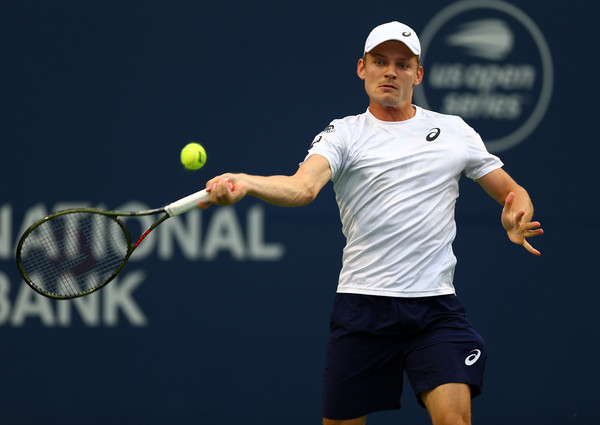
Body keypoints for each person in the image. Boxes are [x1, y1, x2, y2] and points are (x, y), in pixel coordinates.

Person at [198, 21, 543, 425]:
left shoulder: (455, 131)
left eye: (402, 63)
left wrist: (518, 215)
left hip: (434, 311)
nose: (390, 72)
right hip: (363, 308)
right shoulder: (343, 134)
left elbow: (511, 190)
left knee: (455, 421)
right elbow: (302, 187)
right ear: (362, 68)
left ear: (418, 74)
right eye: (380, 61)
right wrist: (246, 183)